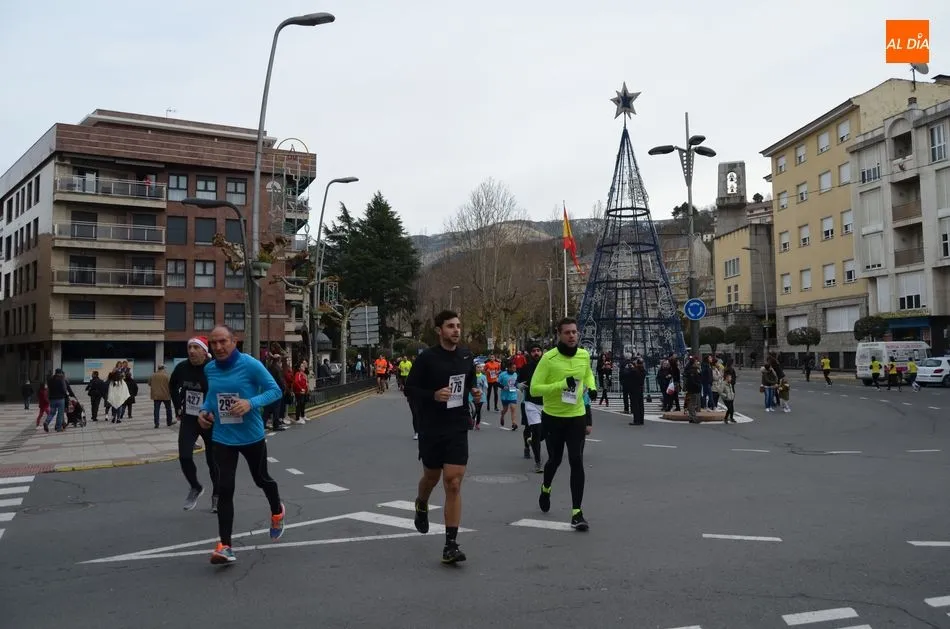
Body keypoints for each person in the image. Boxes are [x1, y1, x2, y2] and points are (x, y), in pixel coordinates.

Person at [197, 326, 284, 564]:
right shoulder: (210, 368)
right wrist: (204, 412)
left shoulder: (250, 365)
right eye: (214, 343)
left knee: (261, 479)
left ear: (234, 341)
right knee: (225, 488)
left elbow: (275, 391)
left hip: (251, 436)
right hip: (223, 437)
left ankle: (277, 511)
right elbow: (211, 397)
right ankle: (225, 546)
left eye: (223, 341)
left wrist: (250, 403)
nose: (218, 347)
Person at [404, 310, 480, 564]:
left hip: (457, 425)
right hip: (432, 427)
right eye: (450, 326)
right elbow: (410, 389)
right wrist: (433, 396)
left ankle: (450, 545)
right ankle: (421, 502)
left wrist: (474, 391)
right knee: (432, 477)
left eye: (458, 325)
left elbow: (469, 381)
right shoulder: (427, 358)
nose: (456, 330)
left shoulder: (466, 355)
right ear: (439, 330)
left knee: (454, 482)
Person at [530, 317, 596, 531]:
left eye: (574, 332)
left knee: (576, 460)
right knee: (555, 460)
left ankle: (577, 512)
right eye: (567, 332)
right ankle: (546, 487)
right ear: (559, 334)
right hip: (553, 417)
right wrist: (560, 385)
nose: (571, 336)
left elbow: (588, 375)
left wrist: (592, 387)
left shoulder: (584, 355)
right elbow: (534, 389)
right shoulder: (548, 358)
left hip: (576, 415)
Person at [170, 337, 220, 512]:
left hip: (210, 420)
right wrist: (178, 406)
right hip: (190, 418)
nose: (191, 351)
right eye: (189, 347)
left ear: (205, 352)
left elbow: (223, 391)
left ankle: (217, 495)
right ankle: (195, 487)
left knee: (213, 462)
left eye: (196, 347)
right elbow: (172, 385)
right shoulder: (182, 367)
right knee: (184, 456)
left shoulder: (213, 368)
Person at [518, 344, 545, 470]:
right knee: (534, 430)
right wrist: (519, 385)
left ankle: (531, 441)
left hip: (546, 403)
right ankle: (538, 462)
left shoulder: (547, 366)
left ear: (542, 352)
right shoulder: (526, 368)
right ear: (530, 353)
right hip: (530, 403)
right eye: (533, 351)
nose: (536, 353)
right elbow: (518, 381)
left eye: (538, 350)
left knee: (545, 432)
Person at [498, 361, 519, 430]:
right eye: (513, 368)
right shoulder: (502, 374)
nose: (514, 369)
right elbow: (497, 383)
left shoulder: (515, 374)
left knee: (513, 408)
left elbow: (516, 382)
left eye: (515, 368)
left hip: (513, 394)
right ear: (509, 368)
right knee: (505, 409)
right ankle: (502, 415)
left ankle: (513, 423)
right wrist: (503, 387)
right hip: (504, 395)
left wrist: (517, 385)